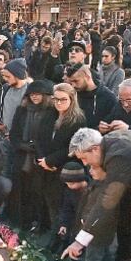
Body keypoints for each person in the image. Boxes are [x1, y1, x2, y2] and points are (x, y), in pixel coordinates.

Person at [63, 127, 131, 261]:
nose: (85, 164)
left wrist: (80, 241)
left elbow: (107, 202)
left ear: (94, 149)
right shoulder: (109, 142)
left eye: (84, 158)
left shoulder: (118, 157)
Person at [34, 83, 87, 241]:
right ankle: (43, 228)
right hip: (44, 164)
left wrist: (51, 160)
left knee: (57, 204)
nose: (58, 103)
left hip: (62, 167)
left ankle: (58, 238)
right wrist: (43, 159)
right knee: (42, 197)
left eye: (62, 100)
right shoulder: (49, 114)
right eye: (55, 99)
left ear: (71, 99)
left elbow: (72, 147)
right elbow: (38, 138)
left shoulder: (78, 120)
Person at [9, 79, 54, 231]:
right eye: (32, 94)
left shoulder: (51, 112)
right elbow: (14, 134)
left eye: (38, 94)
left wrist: (38, 148)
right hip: (22, 156)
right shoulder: (21, 110)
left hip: (41, 157)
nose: (34, 97)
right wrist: (24, 146)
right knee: (22, 191)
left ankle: (42, 224)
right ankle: (24, 222)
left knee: (39, 192)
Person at [65, 62, 116, 130]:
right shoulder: (72, 95)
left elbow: (111, 124)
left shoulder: (108, 98)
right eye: (71, 82)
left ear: (88, 77)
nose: (73, 85)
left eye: (76, 81)